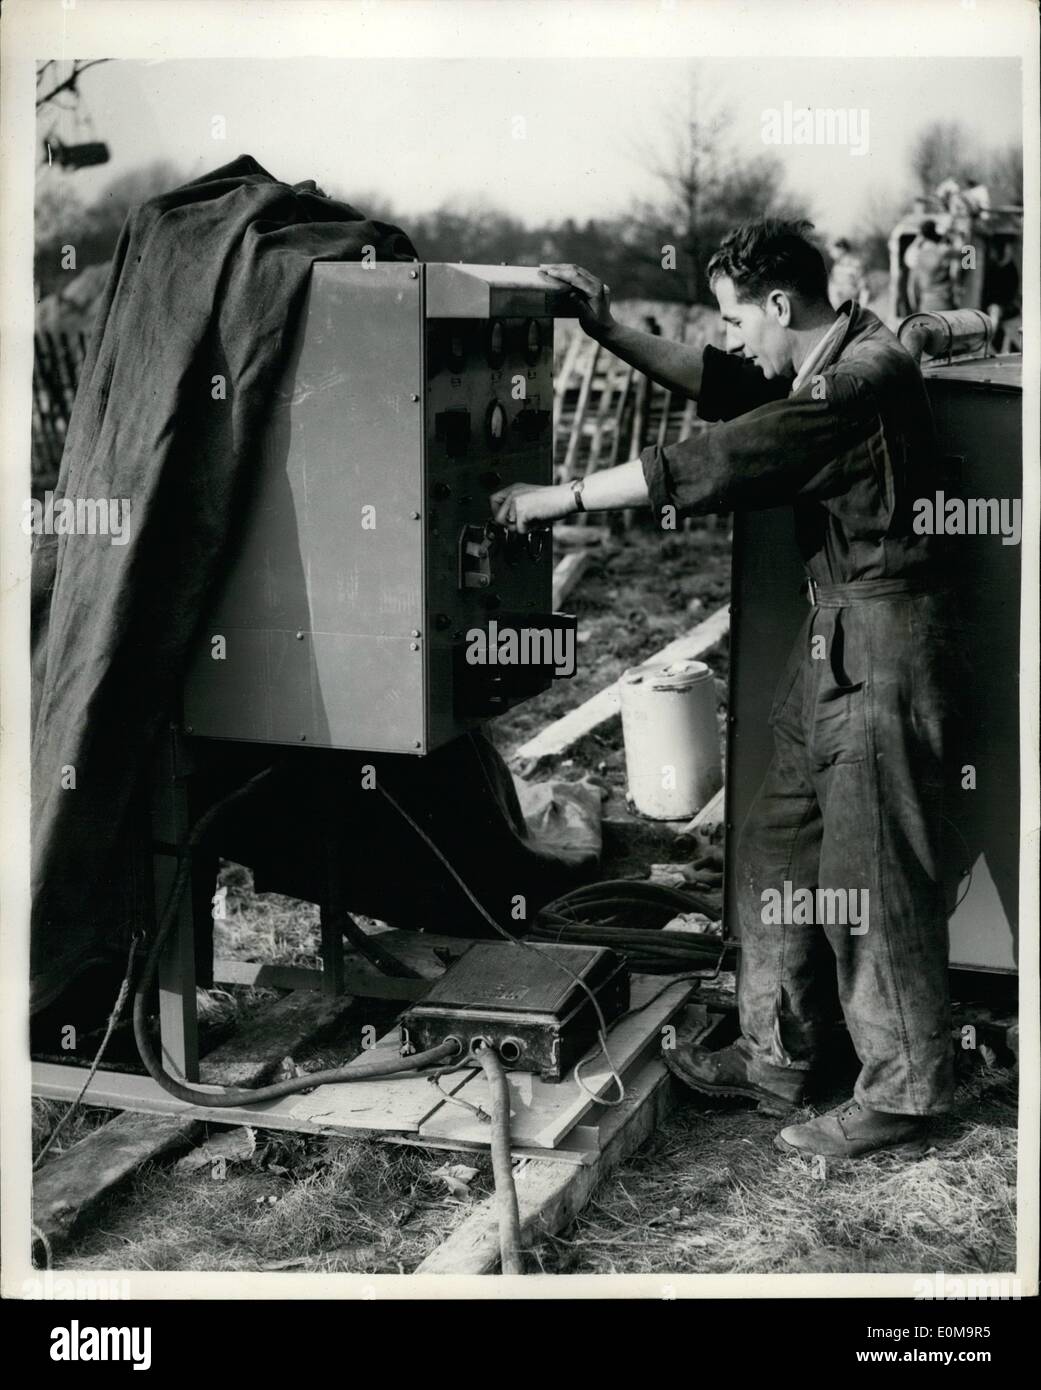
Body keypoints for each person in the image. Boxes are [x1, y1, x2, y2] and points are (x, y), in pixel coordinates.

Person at [491, 220, 958, 1159]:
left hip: (883, 637)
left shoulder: (860, 380)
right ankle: (780, 1055)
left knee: (866, 875)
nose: (736, 337)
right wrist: (609, 330)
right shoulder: (827, 356)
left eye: (738, 317)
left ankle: (904, 1092)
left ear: (781, 304)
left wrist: (558, 499)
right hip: (834, 628)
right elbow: (733, 386)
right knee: (776, 842)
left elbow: (718, 459)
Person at [905, 220, 960, 312]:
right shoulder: (944, 252)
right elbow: (969, 254)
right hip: (945, 305)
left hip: (926, 307)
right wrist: (958, 238)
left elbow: (912, 289)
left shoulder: (917, 257)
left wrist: (915, 309)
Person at [827, 237, 869, 310]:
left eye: (832, 250)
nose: (830, 253)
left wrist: (862, 311)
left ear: (841, 249)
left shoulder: (856, 264)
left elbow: (865, 289)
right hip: (837, 310)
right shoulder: (837, 265)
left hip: (851, 310)